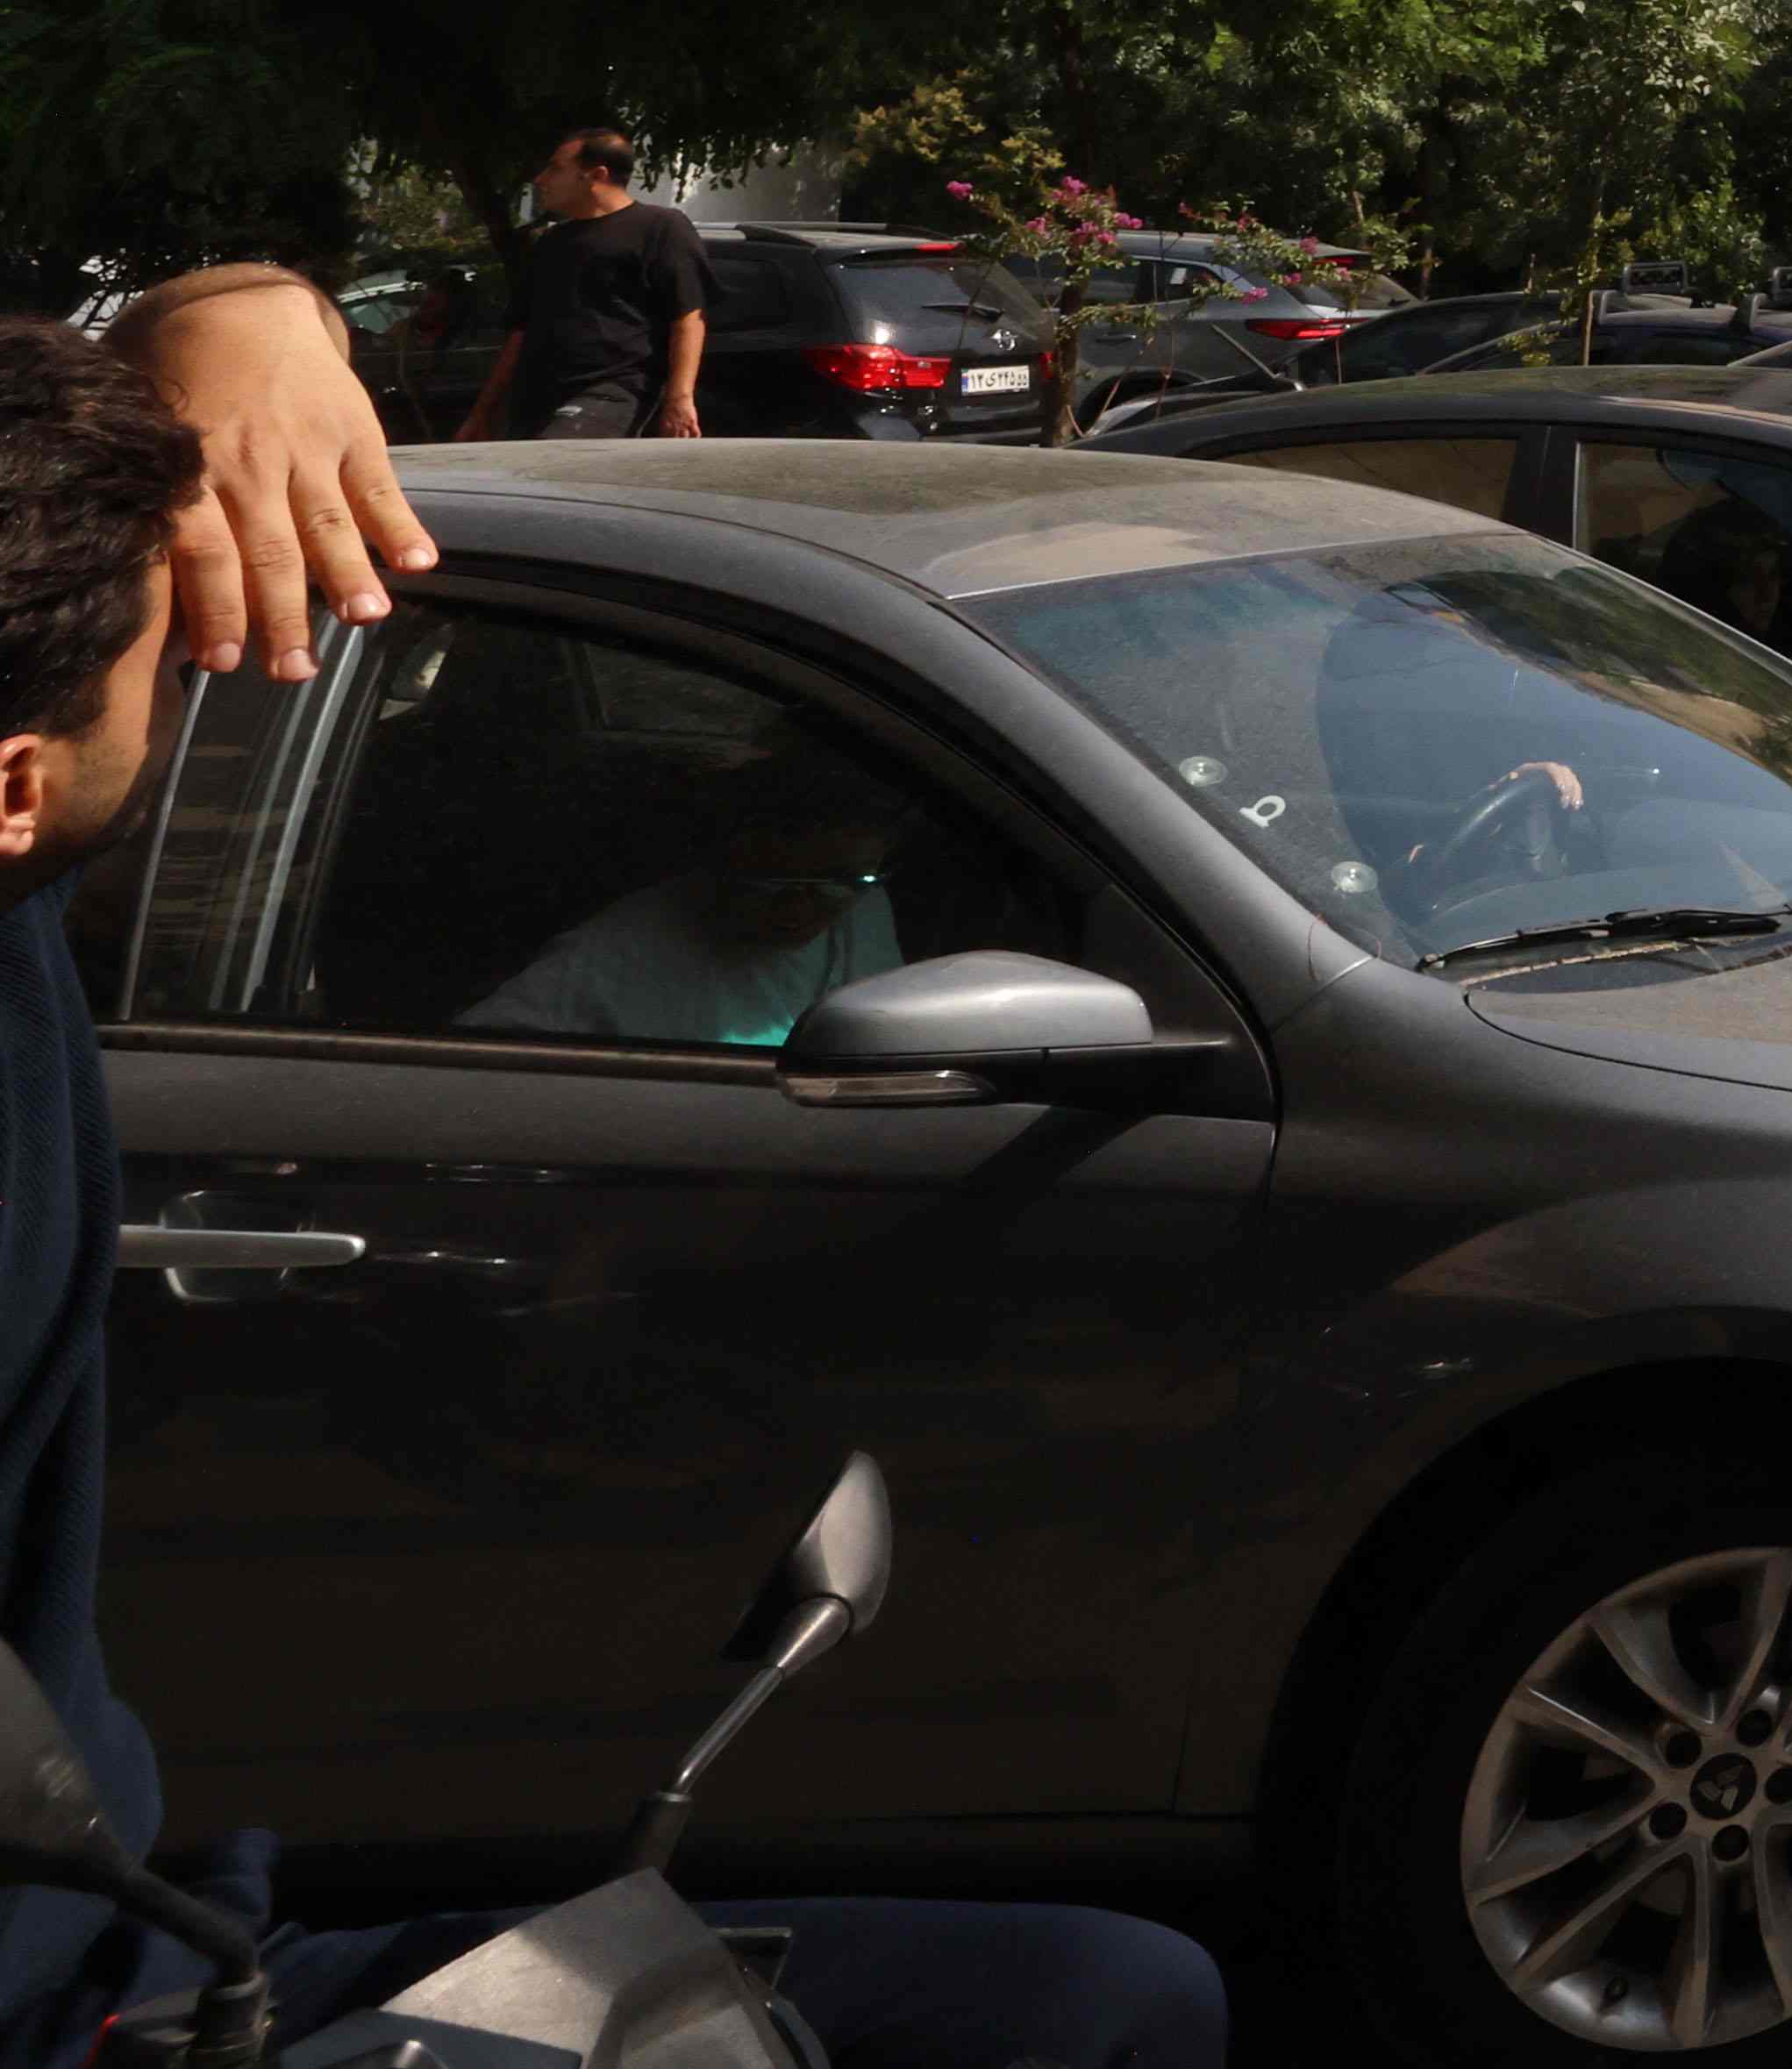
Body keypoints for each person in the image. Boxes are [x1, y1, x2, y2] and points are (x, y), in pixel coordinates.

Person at [15, 287, 1218, 2066]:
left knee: (1105, 1997)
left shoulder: (24, 873)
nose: (207, 674)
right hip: (86, 2008)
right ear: (22, 783)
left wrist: (230, 324)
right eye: (174, 662)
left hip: (170, 1951)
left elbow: (215, 341)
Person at [454, 750, 916, 1052]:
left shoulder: (867, 905)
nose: (806, 905)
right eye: (774, 881)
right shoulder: (618, 950)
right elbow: (478, 1060)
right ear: (723, 863)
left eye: (840, 881)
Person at [460, 127, 706, 444]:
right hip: (535, 398)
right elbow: (520, 332)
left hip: (611, 392)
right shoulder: (551, 242)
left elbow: (688, 317)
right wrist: (483, 413)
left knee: (549, 467)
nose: (540, 179)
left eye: (556, 168)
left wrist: (679, 398)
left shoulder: (661, 228)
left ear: (596, 175)